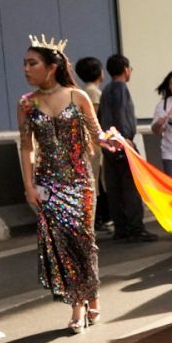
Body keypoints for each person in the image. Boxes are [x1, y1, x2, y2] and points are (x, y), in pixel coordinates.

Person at [18, 39, 101, 333]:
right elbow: (26, 146)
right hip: (47, 183)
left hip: (80, 182)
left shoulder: (78, 97)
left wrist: (113, 141)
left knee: (83, 241)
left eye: (33, 63)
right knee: (61, 245)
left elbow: (96, 134)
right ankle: (79, 302)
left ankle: (88, 297)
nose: (27, 69)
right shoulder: (27, 103)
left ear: (52, 67)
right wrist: (29, 184)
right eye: (25, 63)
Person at [97, 54, 151, 242]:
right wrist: (124, 139)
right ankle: (136, 228)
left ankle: (121, 228)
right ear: (126, 69)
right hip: (122, 142)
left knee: (115, 188)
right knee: (130, 187)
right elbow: (121, 114)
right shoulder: (121, 88)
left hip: (108, 144)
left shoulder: (106, 90)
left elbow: (100, 117)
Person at [73, 56, 108, 233]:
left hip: (92, 143)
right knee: (95, 180)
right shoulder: (93, 92)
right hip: (94, 143)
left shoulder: (85, 90)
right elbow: (91, 118)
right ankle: (96, 219)